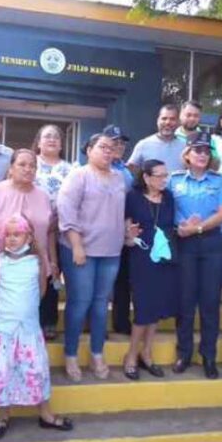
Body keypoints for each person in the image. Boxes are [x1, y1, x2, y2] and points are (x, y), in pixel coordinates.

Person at [0, 215, 73, 439]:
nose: (11, 239)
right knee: (2, 371)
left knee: (36, 369)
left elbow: (40, 291)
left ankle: (46, 414)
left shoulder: (37, 262)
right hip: (4, 329)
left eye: (17, 234)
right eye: (8, 235)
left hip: (29, 329)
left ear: (28, 237)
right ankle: (2, 416)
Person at [57, 133, 126, 382]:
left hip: (111, 251)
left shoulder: (119, 178)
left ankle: (97, 352)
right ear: (89, 149)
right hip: (81, 250)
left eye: (112, 148)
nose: (108, 151)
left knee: (100, 304)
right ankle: (71, 354)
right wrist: (76, 245)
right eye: (102, 147)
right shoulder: (78, 176)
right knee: (79, 303)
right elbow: (66, 211)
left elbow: (121, 212)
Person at [168, 132, 222, 379]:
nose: (202, 155)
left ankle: (209, 356)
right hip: (185, 245)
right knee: (185, 302)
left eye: (206, 151)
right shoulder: (174, 181)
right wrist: (180, 227)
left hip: (212, 244)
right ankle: (184, 353)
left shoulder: (219, 180)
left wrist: (198, 227)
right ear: (188, 154)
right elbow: (165, 209)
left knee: (210, 304)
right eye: (198, 150)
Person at [121, 159, 178, 380]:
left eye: (166, 175)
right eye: (160, 175)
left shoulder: (169, 198)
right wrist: (129, 236)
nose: (165, 179)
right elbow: (126, 235)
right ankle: (131, 355)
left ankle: (147, 352)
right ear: (146, 177)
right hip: (141, 257)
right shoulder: (132, 198)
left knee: (156, 306)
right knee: (144, 308)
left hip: (164, 257)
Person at [0, 149, 56, 308]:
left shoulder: (44, 196)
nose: (28, 169)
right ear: (10, 168)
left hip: (34, 268)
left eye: (32, 166)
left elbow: (50, 231)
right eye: (22, 164)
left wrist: (53, 262)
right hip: (2, 268)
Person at [32, 125, 73, 339]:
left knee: (54, 275)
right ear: (38, 142)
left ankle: (49, 321)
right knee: (35, 273)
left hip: (62, 230)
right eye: (47, 136)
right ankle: (32, 319)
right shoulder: (31, 163)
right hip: (34, 230)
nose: (52, 140)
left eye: (56, 137)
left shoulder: (71, 169)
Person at [104, 124, 135, 335]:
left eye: (122, 142)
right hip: (101, 233)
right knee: (101, 282)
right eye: (114, 142)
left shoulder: (126, 171)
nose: (119, 146)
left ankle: (121, 322)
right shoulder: (96, 167)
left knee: (122, 280)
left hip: (123, 231)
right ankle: (96, 324)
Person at [127, 104, 184, 173]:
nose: (167, 122)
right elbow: (130, 168)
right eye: (164, 118)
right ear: (158, 121)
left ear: (178, 122)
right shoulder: (144, 145)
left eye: (172, 119)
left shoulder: (184, 147)